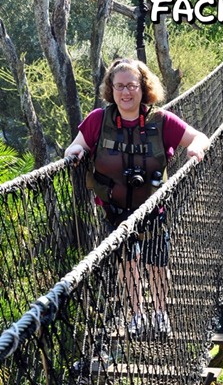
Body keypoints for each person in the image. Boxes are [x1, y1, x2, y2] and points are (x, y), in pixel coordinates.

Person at [65, 57, 209, 337]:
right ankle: (136, 314)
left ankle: (159, 313)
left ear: (144, 88)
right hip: (114, 211)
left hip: (153, 210)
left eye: (132, 85)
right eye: (119, 86)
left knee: (156, 264)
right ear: (111, 89)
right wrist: (75, 153)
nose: (125, 92)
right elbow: (76, 146)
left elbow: (198, 137)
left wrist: (195, 149)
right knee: (127, 264)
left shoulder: (161, 121)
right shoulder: (99, 120)